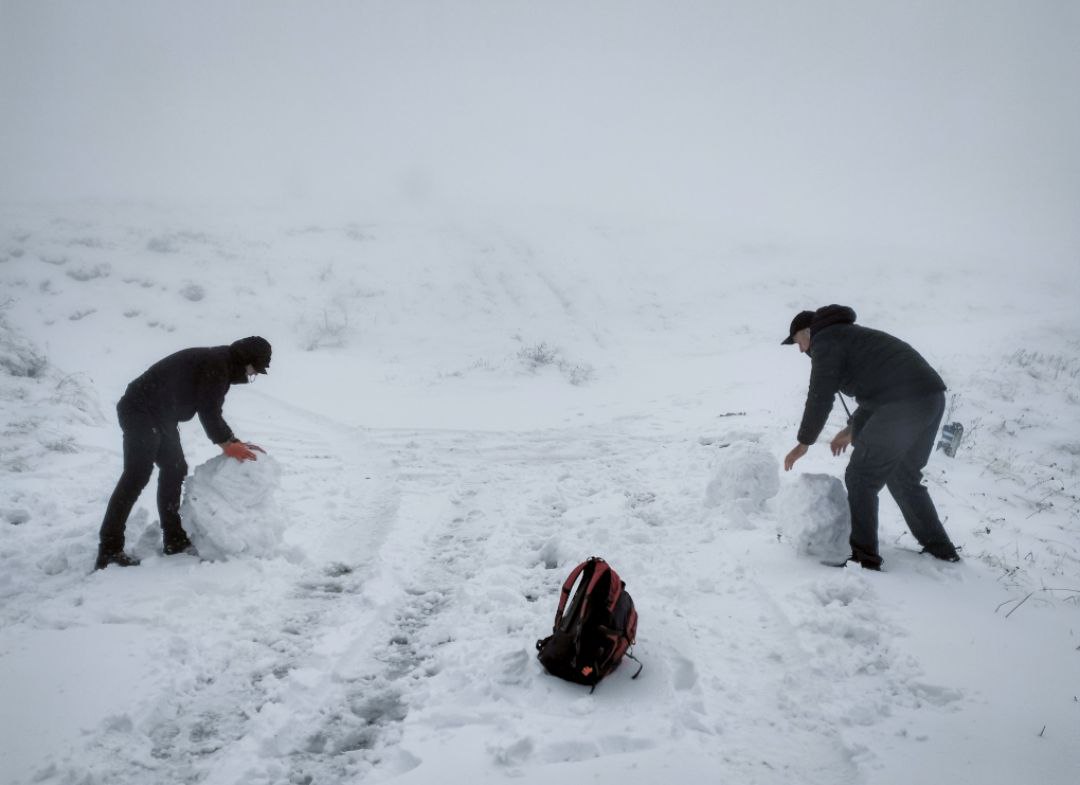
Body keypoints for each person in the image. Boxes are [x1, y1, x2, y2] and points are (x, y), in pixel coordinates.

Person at [781, 306, 959, 570]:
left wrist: (804, 442)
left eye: (798, 342)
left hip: (904, 404)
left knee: (861, 476)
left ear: (807, 332)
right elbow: (878, 389)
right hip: (929, 399)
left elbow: (820, 395)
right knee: (903, 476)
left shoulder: (826, 341)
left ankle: (864, 559)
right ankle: (941, 550)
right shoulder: (848, 336)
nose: (800, 350)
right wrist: (851, 429)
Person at [94, 336, 272, 570]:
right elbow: (209, 411)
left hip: (161, 414)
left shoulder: (221, 363)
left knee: (175, 468)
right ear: (246, 360)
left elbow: (210, 408)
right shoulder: (217, 364)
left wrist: (233, 442)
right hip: (140, 409)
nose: (252, 374)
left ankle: (174, 539)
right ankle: (109, 549)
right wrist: (229, 444)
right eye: (254, 369)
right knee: (137, 474)